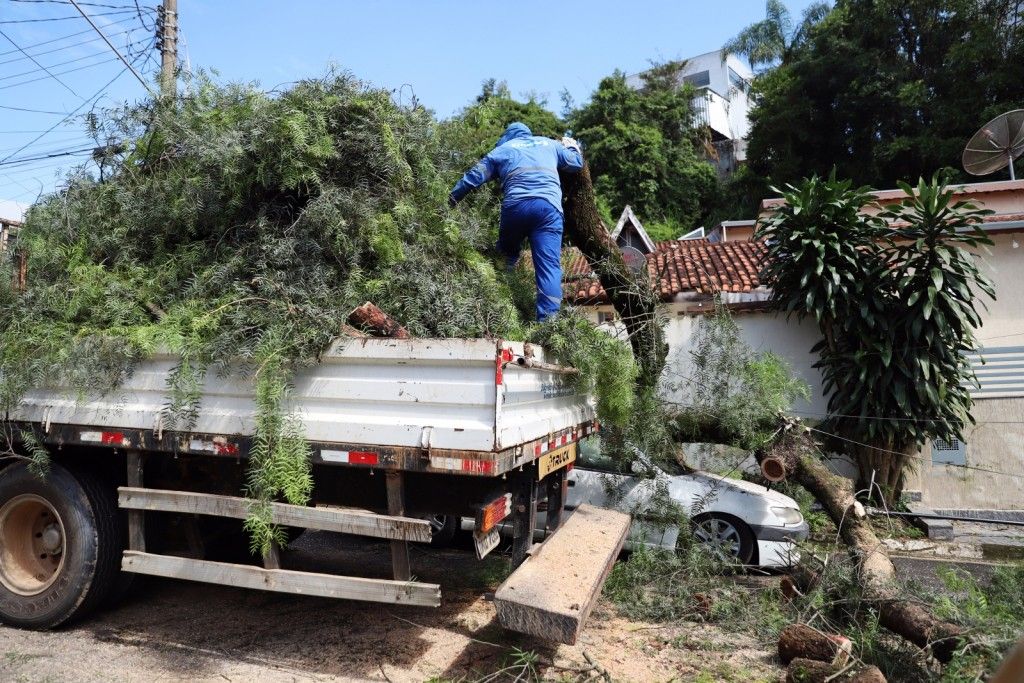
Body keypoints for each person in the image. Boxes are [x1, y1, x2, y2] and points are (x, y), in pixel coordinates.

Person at [449, 122, 583, 322]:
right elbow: (576, 163)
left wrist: (450, 201)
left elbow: (473, 177)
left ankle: (502, 303)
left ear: (507, 137)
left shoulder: (502, 150)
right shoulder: (549, 144)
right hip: (548, 210)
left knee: (506, 256)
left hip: (516, 209)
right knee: (548, 267)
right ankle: (548, 323)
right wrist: (572, 146)